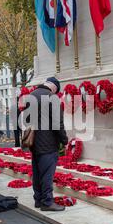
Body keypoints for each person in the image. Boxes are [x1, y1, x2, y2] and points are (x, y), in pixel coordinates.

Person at [30, 77, 69, 212]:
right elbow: (58, 123)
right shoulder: (51, 97)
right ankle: (47, 202)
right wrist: (64, 140)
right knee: (47, 173)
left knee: (37, 172)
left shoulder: (32, 95)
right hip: (48, 142)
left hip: (34, 141)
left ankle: (38, 199)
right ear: (54, 88)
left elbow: (27, 119)